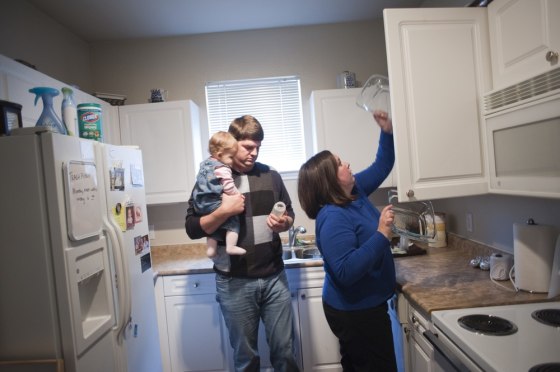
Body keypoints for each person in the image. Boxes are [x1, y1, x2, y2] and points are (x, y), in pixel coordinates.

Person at [185, 115, 300, 372]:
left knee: (285, 351)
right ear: (232, 143)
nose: (254, 153)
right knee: (246, 359)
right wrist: (224, 212)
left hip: (274, 278)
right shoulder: (211, 175)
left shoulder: (271, 176)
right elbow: (192, 228)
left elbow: (290, 212)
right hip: (233, 281)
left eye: (258, 146)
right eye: (248, 147)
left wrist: (286, 223)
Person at [297, 110, 397, 372]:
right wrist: (382, 235)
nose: (348, 164)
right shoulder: (332, 217)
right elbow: (345, 271)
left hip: (364, 307)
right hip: (355, 313)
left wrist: (387, 132)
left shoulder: (354, 191)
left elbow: (382, 165)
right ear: (329, 179)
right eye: (340, 163)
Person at [193, 131, 246, 258]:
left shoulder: (204, 164)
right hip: (214, 200)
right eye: (231, 157)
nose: (232, 161)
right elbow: (228, 185)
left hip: (200, 202)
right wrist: (237, 195)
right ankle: (231, 246)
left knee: (214, 226)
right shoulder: (222, 168)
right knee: (233, 220)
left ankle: (211, 250)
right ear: (220, 154)